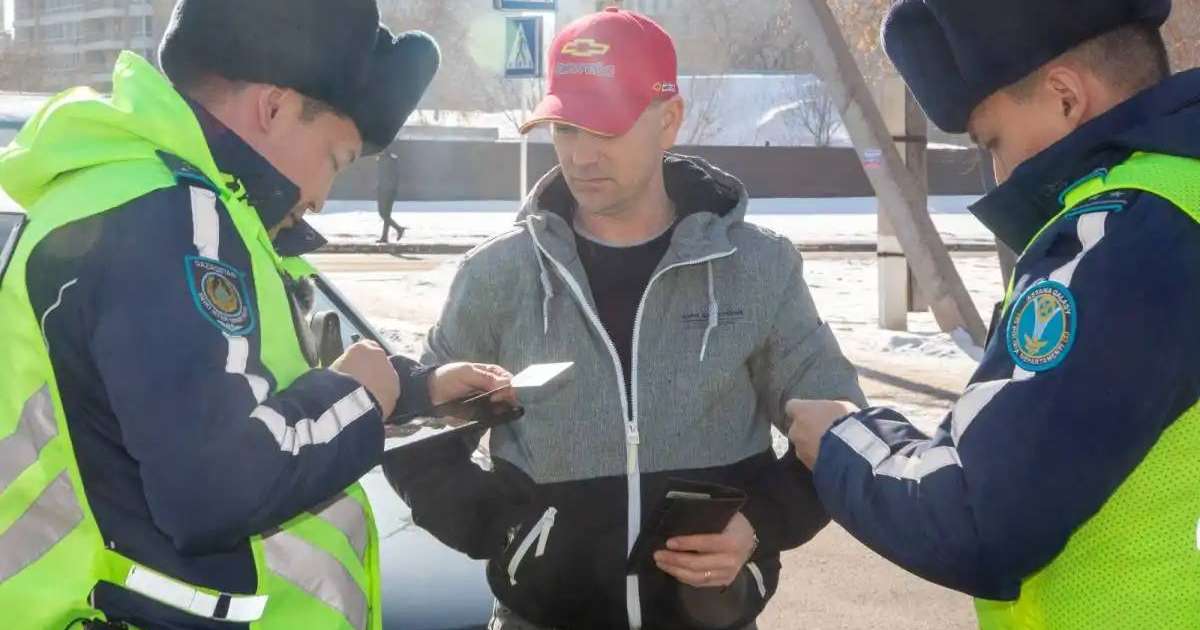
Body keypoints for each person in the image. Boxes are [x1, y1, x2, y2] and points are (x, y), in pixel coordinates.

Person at [0, 0, 515, 628]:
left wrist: (413, 390)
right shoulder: (171, 219)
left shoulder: (136, 196)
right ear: (272, 108)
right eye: (335, 160)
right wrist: (360, 393)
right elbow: (215, 487)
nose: (323, 197)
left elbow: (228, 391)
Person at [385, 8, 865, 630]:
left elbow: (838, 426)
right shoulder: (497, 275)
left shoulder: (759, 267)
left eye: (604, 128)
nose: (580, 154)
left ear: (669, 120)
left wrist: (759, 525)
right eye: (564, 128)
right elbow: (417, 438)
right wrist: (505, 531)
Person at [786, 1, 1200, 628]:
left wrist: (844, 441)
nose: (1000, 173)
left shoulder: (1122, 233)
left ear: (1065, 97)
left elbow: (979, 514)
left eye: (994, 142)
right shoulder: (1183, 193)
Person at [376, 140, 407, 243]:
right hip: (381, 189)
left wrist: (392, 188)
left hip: (389, 190)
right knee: (383, 213)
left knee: (385, 214)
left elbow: (395, 176)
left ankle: (395, 231)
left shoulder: (393, 159)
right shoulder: (379, 159)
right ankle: (390, 234)